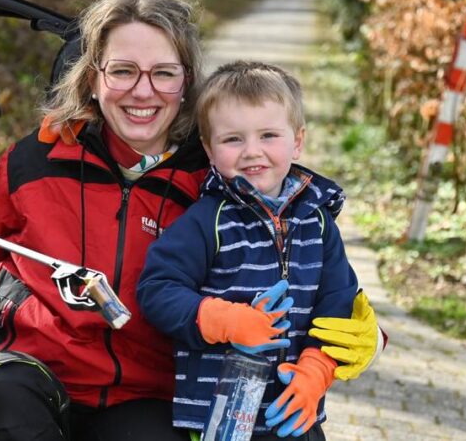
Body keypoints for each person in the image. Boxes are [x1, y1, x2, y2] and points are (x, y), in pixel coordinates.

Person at [0, 0, 383, 440]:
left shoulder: (218, 179)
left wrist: (358, 337)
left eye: (163, 74)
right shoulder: (39, 160)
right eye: (122, 71)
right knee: (8, 403)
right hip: (29, 373)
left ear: (186, 81)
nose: (142, 91)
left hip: (145, 393)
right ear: (93, 78)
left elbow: (298, 256)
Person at [137, 61, 367, 440]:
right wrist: (220, 319)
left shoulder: (318, 221)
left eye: (268, 135)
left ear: (298, 140)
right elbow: (157, 288)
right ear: (209, 150)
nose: (252, 151)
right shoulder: (207, 220)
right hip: (219, 416)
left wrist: (318, 367)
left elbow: (337, 302)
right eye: (233, 139)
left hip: (295, 411)